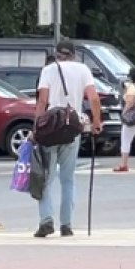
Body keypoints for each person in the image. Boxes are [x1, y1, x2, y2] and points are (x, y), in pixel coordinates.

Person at [33, 38, 104, 239]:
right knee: (68, 179)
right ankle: (67, 225)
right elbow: (94, 98)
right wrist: (96, 121)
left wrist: (36, 127)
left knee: (46, 178)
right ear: (74, 55)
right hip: (73, 126)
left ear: (57, 54)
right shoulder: (83, 69)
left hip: (50, 128)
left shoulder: (48, 70)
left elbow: (42, 101)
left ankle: (46, 221)